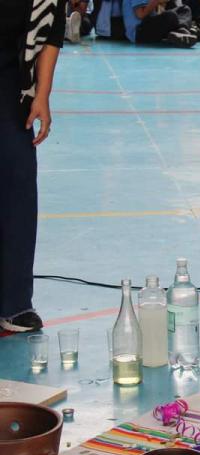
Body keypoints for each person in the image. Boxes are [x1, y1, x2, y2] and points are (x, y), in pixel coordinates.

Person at [0, 0, 66, 334]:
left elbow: (51, 34)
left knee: (19, 181)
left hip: (12, 80)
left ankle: (14, 303)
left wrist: (43, 95)